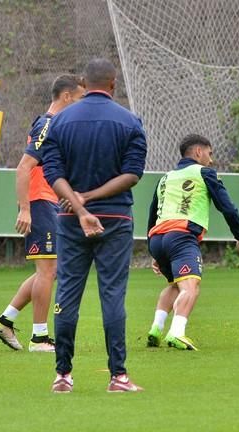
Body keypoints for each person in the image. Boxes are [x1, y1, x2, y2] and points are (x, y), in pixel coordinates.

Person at [41, 58, 147, 393]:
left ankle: (63, 375)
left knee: (68, 294)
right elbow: (132, 174)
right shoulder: (130, 121)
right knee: (113, 295)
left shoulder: (60, 121)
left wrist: (76, 201)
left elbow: (52, 172)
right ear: (113, 84)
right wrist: (90, 197)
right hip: (115, 219)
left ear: (84, 84)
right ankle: (118, 377)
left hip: (71, 220)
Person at [0, 75, 85, 353]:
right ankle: (39, 338)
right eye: (79, 99)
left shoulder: (57, 127)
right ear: (66, 97)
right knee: (48, 269)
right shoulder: (48, 124)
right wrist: (26, 209)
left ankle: (5, 320)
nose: (81, 105)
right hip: (40, 203)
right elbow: (23, 167)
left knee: (50, 271)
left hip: (49, 202)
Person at [145, 133, 239, 350]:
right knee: (190, 286)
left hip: (157, 238)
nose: (211, 159)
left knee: (175, 285)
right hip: (181, 236)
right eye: (210, 153)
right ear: (198, 152)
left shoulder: (165, 178)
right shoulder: (205, 173)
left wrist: (154, 251)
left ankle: (156, 328)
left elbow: (152, 214)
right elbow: (228, 207)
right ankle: (176, 332)